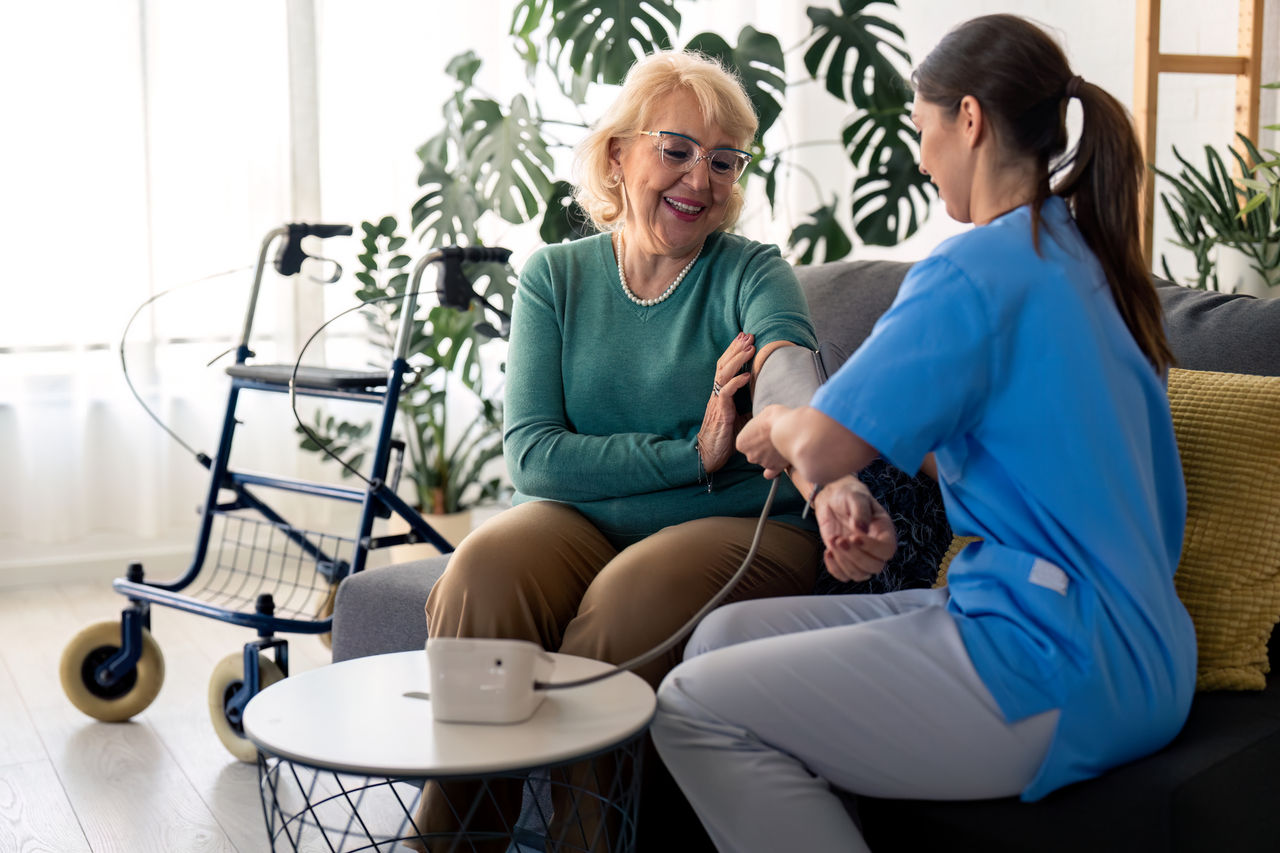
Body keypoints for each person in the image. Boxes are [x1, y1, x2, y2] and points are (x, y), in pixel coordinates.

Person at [650, 14, 1198, 853]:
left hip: (1053, 661)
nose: (920, 154)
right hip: (1147, 658)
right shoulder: (1084, 259)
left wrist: (779, 423)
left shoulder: (973, 271)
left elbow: (823, 446)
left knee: (692, 706)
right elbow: (1016, 449)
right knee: (721, 637)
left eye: (922, 129)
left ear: (969, 119)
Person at [410, 49, 836, 851]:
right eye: (675, 150)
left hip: (744, 526)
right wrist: (690, 455)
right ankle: (453, 844)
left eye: (722, 161)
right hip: (595, 516)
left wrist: (800, 428)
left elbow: (787, 364)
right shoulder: (555, 278)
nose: (699, 180)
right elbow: (535, 457)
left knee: (623, 605)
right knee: (482, 571)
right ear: (618, 154)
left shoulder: (750, 270)